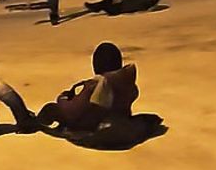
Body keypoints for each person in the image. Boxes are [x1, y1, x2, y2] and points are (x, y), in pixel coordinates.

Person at [35, 42, 164, 150]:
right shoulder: (126, 80)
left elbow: (74, 111)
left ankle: (35, 123)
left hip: (92, 125)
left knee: (51, 109)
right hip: (119, 117)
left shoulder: (99, 83)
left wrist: (62, 99)